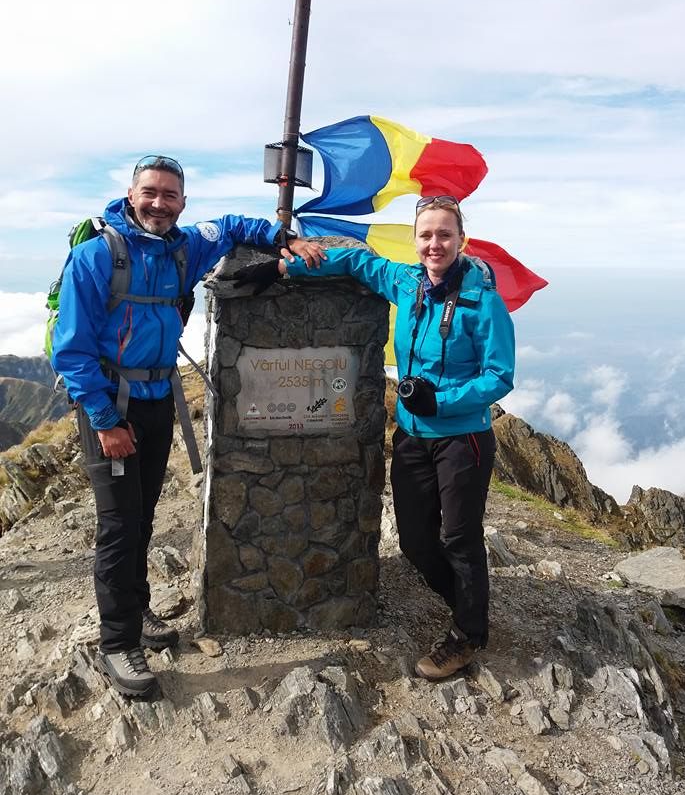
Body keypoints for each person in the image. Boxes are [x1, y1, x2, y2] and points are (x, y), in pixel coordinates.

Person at [52, 154, 323, 698]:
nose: (158, 203)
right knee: (118, 526)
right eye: (149, 192)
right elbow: (71, 351)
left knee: (143, 514)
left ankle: (136, 608)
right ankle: (117, 643)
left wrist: (284, 241)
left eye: (169, 195)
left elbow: (234, 228)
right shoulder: (94, 258)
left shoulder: (183, 246)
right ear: (131, 195)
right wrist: (106, 421)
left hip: (157, 399)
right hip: (111, 404)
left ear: (182, 202)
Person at [275, 195, 515, 680]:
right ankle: (471, 605)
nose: (434, 244)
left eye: (444, 234)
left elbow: (499, 375)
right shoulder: (407, 283)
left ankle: (467, 633)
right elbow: (361, 263)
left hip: (462, 437)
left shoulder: (484, 301)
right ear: (416, 240)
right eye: (426, 235)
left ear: (460, 240)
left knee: (458, 537)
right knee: (413, 541)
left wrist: (441, 401)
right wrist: (292, 268)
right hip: (410, 435)